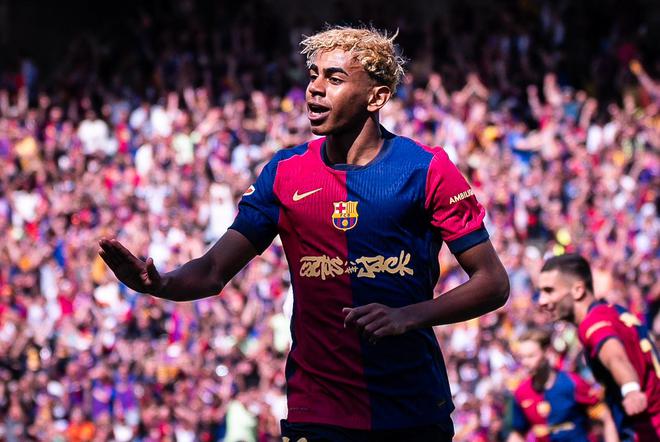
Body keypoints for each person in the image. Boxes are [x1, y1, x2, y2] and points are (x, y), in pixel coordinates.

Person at [99, 25, 510, 441]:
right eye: (313, 75)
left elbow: (492, 283)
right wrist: (161, 284)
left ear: (376, 97)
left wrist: (408, 316)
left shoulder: (426, 169)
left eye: (334, 78)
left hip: (411, 409)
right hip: (317, 411)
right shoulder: (285, 172)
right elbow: (212, 271)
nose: (315, 88)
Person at [538, 253, 660, 441]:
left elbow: (614, 356)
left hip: (647, 430)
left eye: (549, 291)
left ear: (578, 290)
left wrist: (630, 389)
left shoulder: (593, 324)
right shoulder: (613, 311)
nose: (542, 301)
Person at [507, 329, 619, 442]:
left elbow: (607, 418)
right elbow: (517, 433)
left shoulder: (572, 383)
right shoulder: (521, 392)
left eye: (531, 356)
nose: (525, 362)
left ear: (547, 352)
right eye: (522, 357)